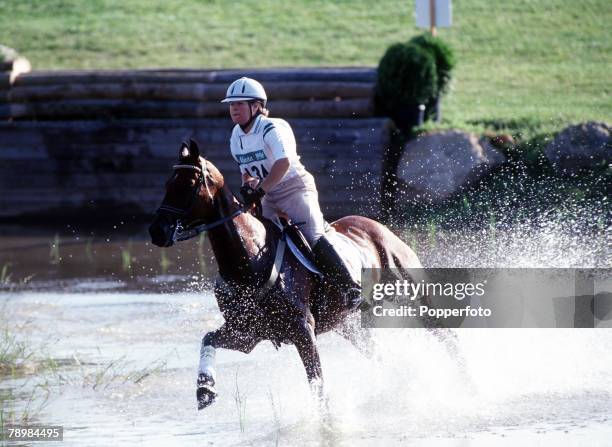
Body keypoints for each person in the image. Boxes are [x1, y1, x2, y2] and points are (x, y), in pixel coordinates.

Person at [221, 77, 360, 306]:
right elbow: (246, 170)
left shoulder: (272, 127)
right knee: (257, 238)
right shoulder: (236, 135)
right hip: (266, 193)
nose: (234, 108)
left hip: (294, 188)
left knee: (313, 235)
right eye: (231, 104)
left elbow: (283, 163)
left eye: (240, 103)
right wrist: (248, 187)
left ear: (256, 106)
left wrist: (261, 189)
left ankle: (351, 289)